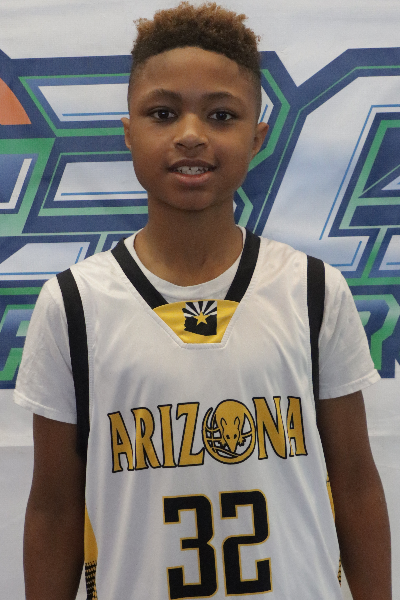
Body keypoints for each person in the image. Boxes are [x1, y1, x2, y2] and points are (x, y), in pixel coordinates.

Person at [15, 2, 391, 599]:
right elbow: (55, 508)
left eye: (221, 114)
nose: (191, 135)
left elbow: (356, 483)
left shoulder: (314, 290)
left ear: (257, 136)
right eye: (163, 113)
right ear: (129, 131)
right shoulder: (73, 303)